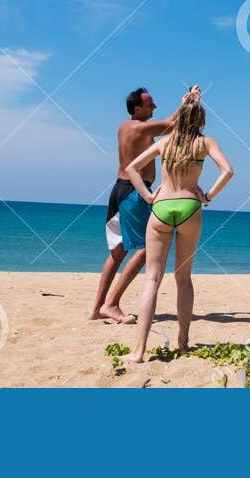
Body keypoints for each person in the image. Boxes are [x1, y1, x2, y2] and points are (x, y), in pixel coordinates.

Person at [127, 92, 233, 358]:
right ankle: (183, 342)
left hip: (161, 207)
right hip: (189, 207)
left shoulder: (166, 142)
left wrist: (149, 196)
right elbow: (228, 171)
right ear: (201, 119)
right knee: (183, 278)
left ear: (180, 118)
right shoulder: (205, 143)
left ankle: (139, 350)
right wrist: (207, 196)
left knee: (152, 278)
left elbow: (132, 168)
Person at [91, 86, 195, 323]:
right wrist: (189, 104)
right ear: (137, 109)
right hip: (133, 192)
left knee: (118, 252)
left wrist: (184, 102)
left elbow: (165, 122)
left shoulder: (126, 126)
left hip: (119, 189)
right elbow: (173, 126)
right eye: (150, 105)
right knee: (146, 249)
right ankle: (112, 304)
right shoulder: (141, 128)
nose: (155, 107)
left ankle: (97, 308)